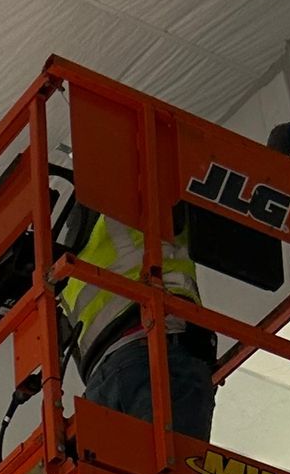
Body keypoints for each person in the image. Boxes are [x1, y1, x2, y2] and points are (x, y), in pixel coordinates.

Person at [56, 186, 218, 443]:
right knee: (176, 470)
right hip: (156, 349)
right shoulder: (139, 197)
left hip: (102, 384)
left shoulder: (69, 264)